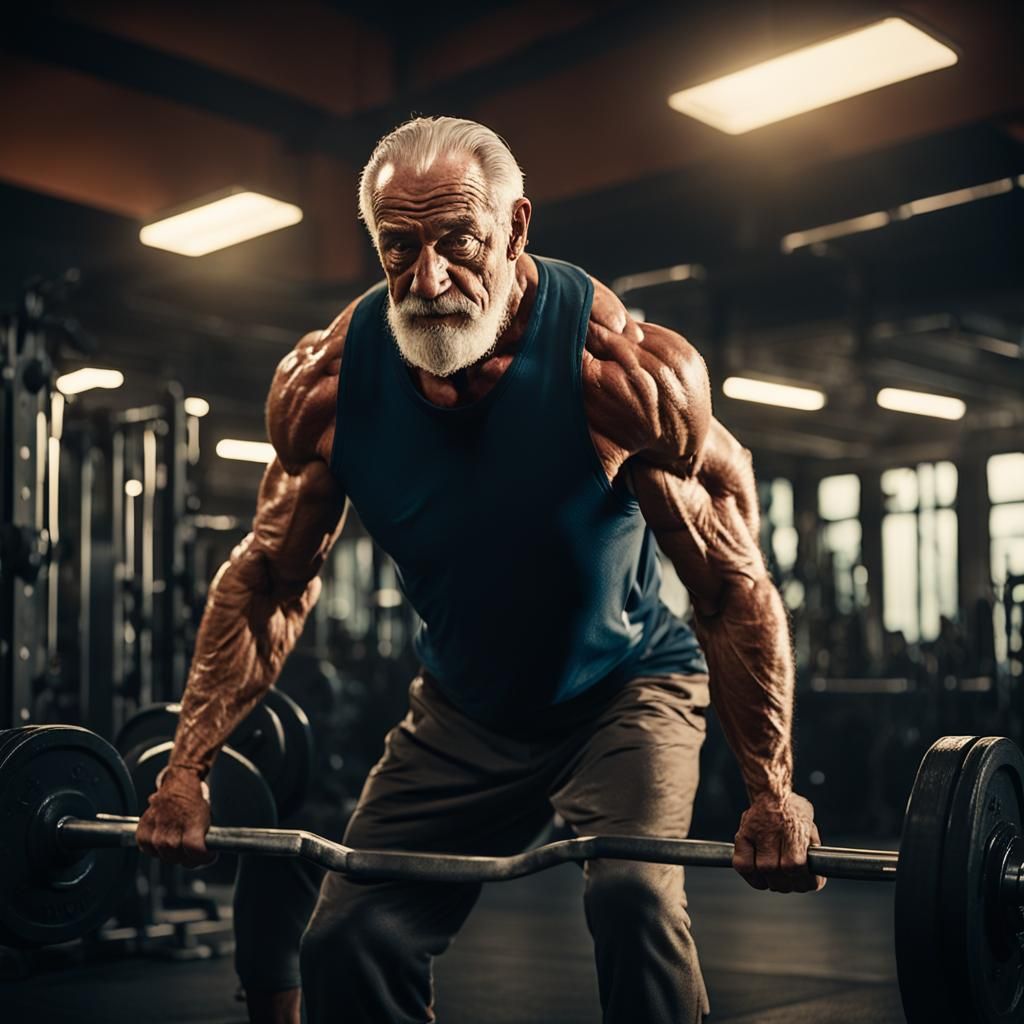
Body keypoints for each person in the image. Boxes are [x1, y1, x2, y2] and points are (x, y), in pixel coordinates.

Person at [137, 116, 825, 1024]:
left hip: (625, 689)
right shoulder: (326, 390)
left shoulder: (617, 375)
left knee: (634, 899)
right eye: (398, 250)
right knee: (348, 937)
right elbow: (266, 583)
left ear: (516, 229)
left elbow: (731, 588)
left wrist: (773, 790)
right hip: (464, 708)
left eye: (459, 244)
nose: (428, 280)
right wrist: (186, 769)